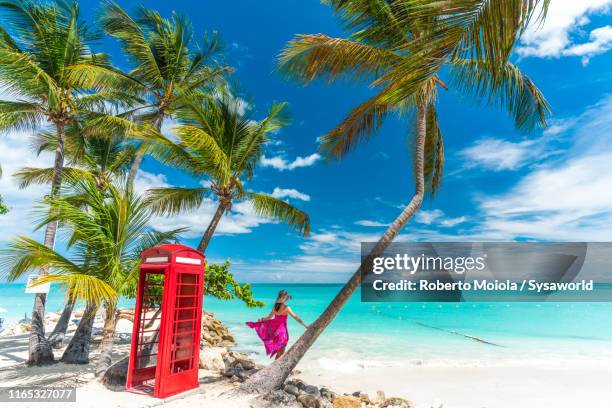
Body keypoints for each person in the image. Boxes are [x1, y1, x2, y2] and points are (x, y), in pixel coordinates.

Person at [246, 290, 308, 360]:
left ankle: (275, 366)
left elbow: (268, 318)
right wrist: (305, 325)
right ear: (284, 298)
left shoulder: (275, 308)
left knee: (280, 352)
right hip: (282, 332)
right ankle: (276, 367)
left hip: (275, 332)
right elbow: (296, 318)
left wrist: (262, 319)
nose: (287, 299)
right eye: (286, 297)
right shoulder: (287, 308)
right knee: (281, 353)